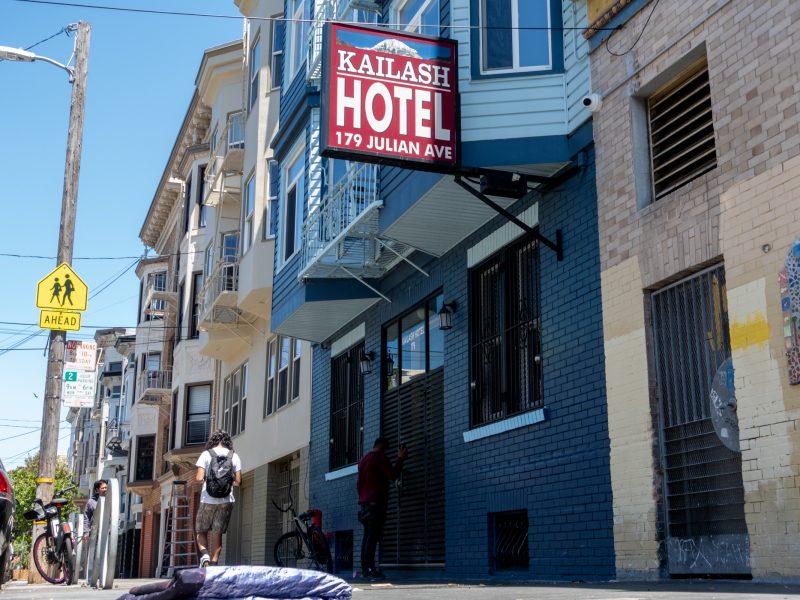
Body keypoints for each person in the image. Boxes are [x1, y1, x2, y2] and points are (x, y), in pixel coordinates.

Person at [356, 437, 407, 580]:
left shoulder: (364, 459)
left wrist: (362, 499)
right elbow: (392, 475)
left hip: (364, 505)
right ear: (384, 448)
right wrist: (400, 459)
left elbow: (358, 483)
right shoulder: (380, 458)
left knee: (367, 538)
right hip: (375, 505)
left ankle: (366, 570)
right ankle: (371, 569)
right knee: (372, 538)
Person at [195, 430, 241, 568]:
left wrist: (209, 481)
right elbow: (238, 482)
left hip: (207, 499)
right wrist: (226, 483)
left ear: (213, 441)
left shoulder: (206, 454)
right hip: (226, 501)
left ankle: (205, 556)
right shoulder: (234, 456)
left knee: (201, 531)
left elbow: (198, 478)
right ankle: (214, 565)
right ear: (228, 442)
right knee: (217, 534)